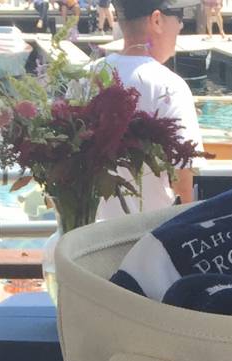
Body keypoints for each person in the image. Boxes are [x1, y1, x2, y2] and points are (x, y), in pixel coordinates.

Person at [96, 0, 202, 215]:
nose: (181, 25)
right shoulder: (169, 86)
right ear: (156, 20)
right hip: (147, 230)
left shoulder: (87, 75)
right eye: (179, 16)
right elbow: (184, 183)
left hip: (89, 231)